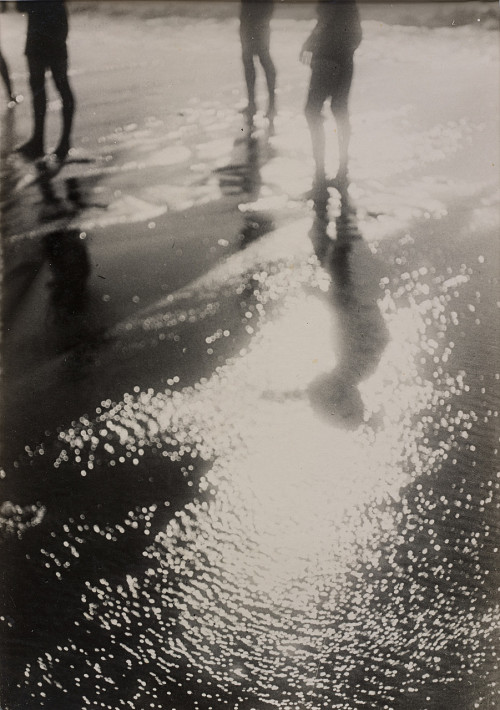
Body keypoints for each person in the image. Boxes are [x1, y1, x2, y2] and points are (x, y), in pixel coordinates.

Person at [301, 0, 362, 194]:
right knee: (339, 110)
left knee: (312, 111)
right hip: (345, 57)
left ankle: (320, 173)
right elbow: (357, 35)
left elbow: (326, 18)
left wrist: (310, 42)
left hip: (328, 56)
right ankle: (342, 171)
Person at [16, 0, 75, 162]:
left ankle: (42, 141)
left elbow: (20, 6)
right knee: (59, 86)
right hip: (53, 26)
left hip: (41, 29)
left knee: (41, 88)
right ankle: (59, 141)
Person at [239, 0, 276, 126]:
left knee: (261, 59)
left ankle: (269, 106)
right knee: (251, 59)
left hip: (257, 19)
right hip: (252, 18)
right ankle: (255, 104)